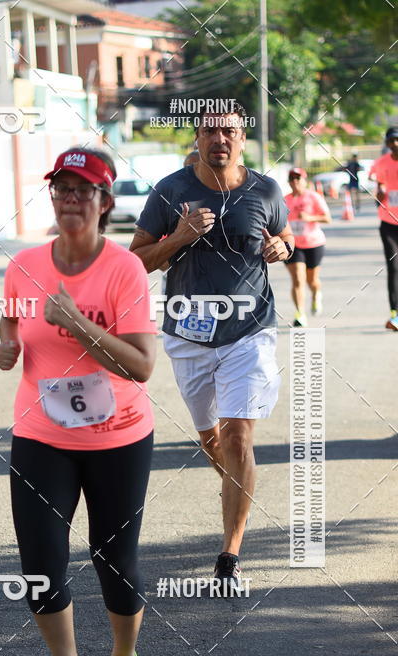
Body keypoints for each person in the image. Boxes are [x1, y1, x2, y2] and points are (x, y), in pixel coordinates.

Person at [0, 147, 156, 656]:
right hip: (42, 435)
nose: (71, 199)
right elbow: (10, 321)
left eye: (83, 190)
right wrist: (7, 346)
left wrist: (77, 324)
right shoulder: (25, 265)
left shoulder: (123, 269)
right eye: (62, 188)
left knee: (115, 558)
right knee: (39, 562)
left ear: (104, 202)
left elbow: (140, 366)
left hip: (119, 436)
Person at [130, 107, 294, 588]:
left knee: (239, 435)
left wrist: (281, 248)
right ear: (197, 138)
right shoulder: (170, 190)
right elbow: (136, 261)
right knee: (212, 441)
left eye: (229, 131)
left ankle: (229, 553)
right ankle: (237, 489)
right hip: (189, 335)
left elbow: (284, 236)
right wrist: (179, 237)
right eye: (210, 131)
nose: (219, 138)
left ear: (242, 140)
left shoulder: (265, 189)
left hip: (250, 331)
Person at [284, 167, 331, 326]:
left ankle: (316, 293)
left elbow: (327, 218)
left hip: (313, 243)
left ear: (305, 181)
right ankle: (300, 313)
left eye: (298, 178)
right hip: (293, 245)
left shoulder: (313, 197)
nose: (295, 182)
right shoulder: (284, 200)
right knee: (298, 278)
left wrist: (309, 217)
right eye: (292, 179)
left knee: (312, 280)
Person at [369, 126, 398, 330]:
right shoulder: (381, 163)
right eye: (391, 141)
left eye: (397, 139)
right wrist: (379, 194)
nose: (395, 144)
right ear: (387, 143)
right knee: (394, 267)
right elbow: (378, 191)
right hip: (388, 223)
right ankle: (395, 313)